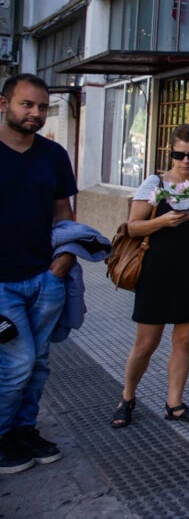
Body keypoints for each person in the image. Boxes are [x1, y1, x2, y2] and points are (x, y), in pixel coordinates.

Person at [110, 124, 189, 428]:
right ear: (169, 152)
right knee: (146, 343)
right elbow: (132, 227)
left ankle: (175, 404)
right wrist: (163, 221)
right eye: (178, 154)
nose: (185, 161)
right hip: (157, 271)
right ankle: (127, 397)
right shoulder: (154, 183)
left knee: (184, 340)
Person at [0, 74, 78, 474]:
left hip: (46, 277)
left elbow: (62, 209)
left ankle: (24, 430)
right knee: (17, 362)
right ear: (4, 105)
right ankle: (2, 436)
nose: (35, 113)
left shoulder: (53, 155)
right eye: (26, 105)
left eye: (42, 107)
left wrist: (64, 257)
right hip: (2, 287)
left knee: (40, 361)